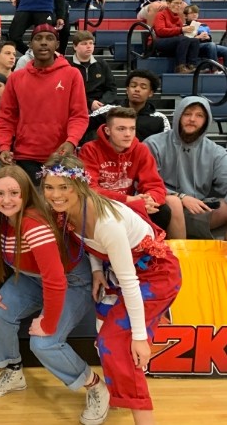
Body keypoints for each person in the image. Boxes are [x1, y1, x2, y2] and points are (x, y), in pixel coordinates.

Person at [41, 154, 181, 424]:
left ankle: (144, 418)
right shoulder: (68, 210)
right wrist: (95, 269)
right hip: (116, 273)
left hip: (154, 277)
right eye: (49, 187)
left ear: (80, 186)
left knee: (118, 344)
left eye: (63, 187)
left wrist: (139, 337)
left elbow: (130, 281)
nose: (55, 195)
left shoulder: (108, 222)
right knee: (102, 333)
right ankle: (114, 395)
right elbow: (91, 240)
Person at [0, 165, 103, 424]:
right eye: (0, 193)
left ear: (26, 193)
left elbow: (55, 279)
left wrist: (48, 321)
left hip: (71, 282)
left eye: (14, 193)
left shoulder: (33, 222)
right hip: (30, 278)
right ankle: (13, 372)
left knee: (45, 343)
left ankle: (95, 385)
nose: (6, 200)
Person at [0, 24, 88, 181]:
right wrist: (4, 146)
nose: (44, 42)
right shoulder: (15, 78)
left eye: (49, 38)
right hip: (25, 156)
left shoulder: (72, 74)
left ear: (57, 45)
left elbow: (79, 115)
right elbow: (6, 117)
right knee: (32, 205)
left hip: (62, 156)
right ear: (31, 45)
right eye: (38, 39)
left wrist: (71, 141)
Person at [79, 107, 173, 235]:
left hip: (130, 206)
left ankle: (149, 248)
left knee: (161, 211)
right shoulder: (90, 149)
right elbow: (89, 189)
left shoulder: (140, 150)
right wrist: (127, 200)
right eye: (121, 129)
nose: (128, 134)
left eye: (132, 128)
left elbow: (155, 185)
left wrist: (150, 199)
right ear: (108, 130)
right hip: (100, 206)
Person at [144, 96, 227, 239]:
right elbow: (145, 182)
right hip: (162, 207)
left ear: (206, 121)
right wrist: (181, 197)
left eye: (199, 115)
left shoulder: (216, 151)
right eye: (187, 114)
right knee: (173, 203)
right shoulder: (153, 144)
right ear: (178, 116)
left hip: (199, 209)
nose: (192, 119)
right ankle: (178, 255)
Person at [87, 69, 170, 143]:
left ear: (151, 93)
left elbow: (165, 146)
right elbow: (82, 123)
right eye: (133, 86)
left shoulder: (160, 119)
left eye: (143, 87)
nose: (137, 89)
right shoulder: (110, 110)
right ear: (127, 90)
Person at [68, 30, 117, 113]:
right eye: (84, 43)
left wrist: (102, 103)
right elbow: (68, 92)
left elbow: (111, 89)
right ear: (75, 47)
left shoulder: (102, 64)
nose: (89, 46)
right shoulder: (68, 65)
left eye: (91, 43)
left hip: (102, 106)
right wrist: (90, 103)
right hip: (76, 106)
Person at [151, 0, 199, 73]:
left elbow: (181, 33)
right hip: (159, 41)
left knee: (194, 41)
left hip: (173, 41)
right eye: (176, 3)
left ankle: (192, 66)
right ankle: (180, 67)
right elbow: (160, 31)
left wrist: (192, 33)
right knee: (184, 39)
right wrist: (181, 29)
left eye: (180, 3)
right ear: (168, 4)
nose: (179, 6)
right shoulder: (161, 15)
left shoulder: (178, 18)